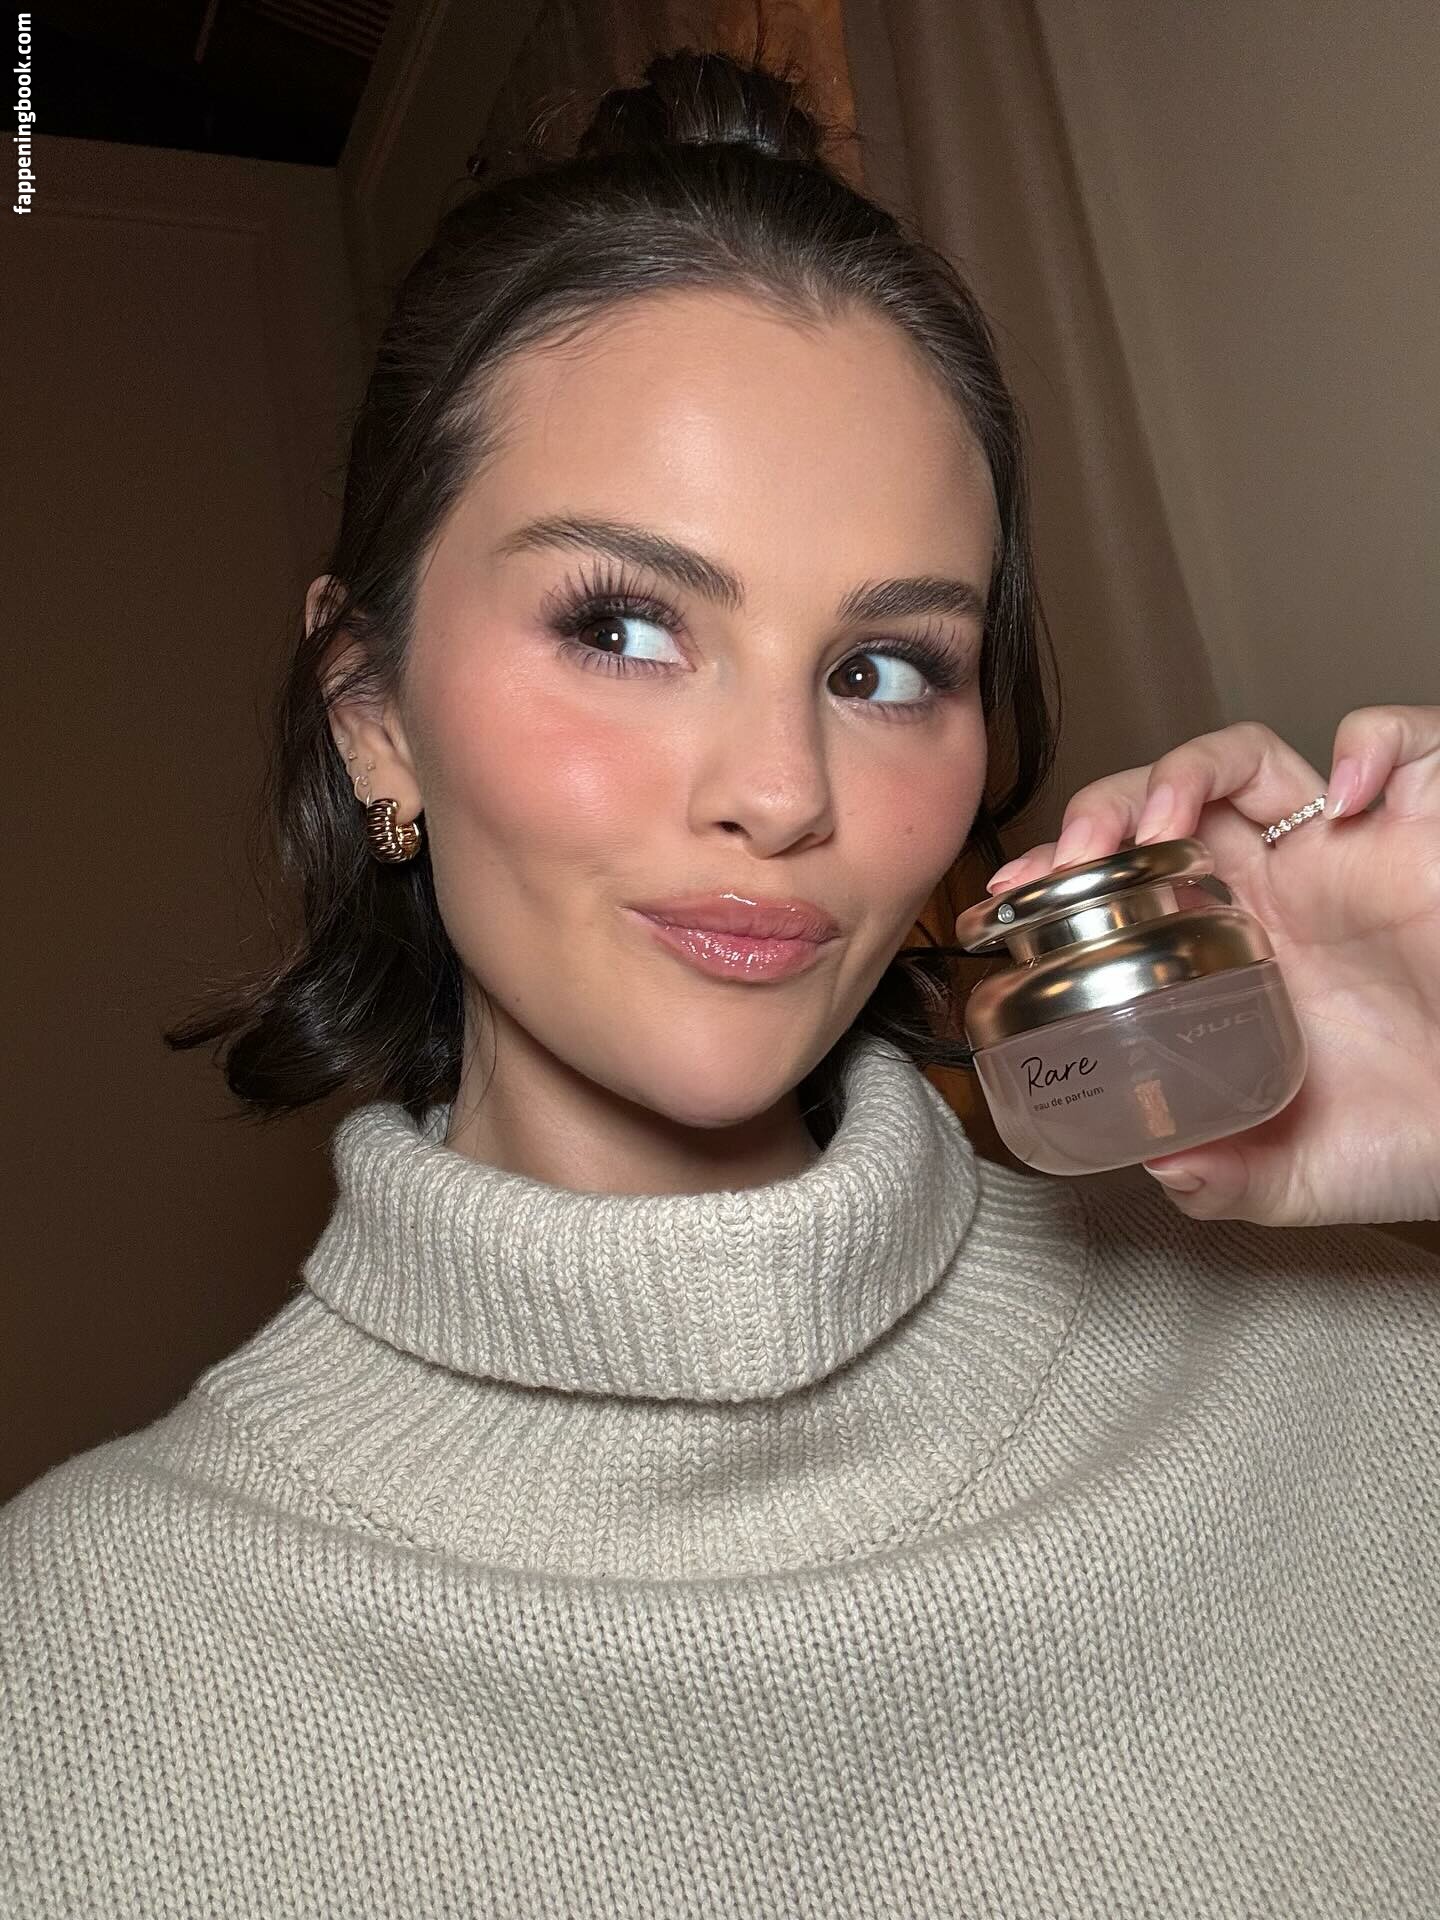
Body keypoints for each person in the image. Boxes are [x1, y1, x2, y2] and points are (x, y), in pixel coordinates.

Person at [3, 41, 1438, 1920]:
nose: (780, 791)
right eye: (622, 627)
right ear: (371, 714)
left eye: (884, 669)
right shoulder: (78, 1676)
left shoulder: (1354, 1358)